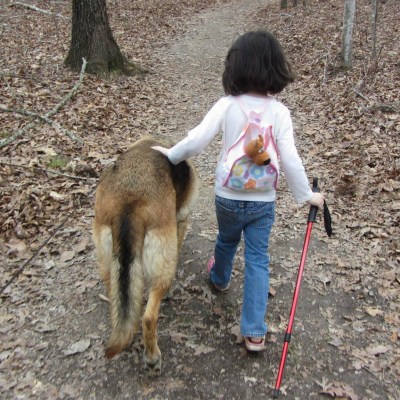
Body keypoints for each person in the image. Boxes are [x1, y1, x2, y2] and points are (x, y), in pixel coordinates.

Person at [152, 30, 325, 352]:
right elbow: (290, 158)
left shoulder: (226, 105)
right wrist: (306, 197)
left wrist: (171, 155)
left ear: (235, 67)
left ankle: (219, 277)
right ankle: (255, 332)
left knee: (226, 239)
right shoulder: (280, 112)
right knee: (258, 259)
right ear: (275, 67)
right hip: (263, 202)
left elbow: (198, 139)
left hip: (228, 197)